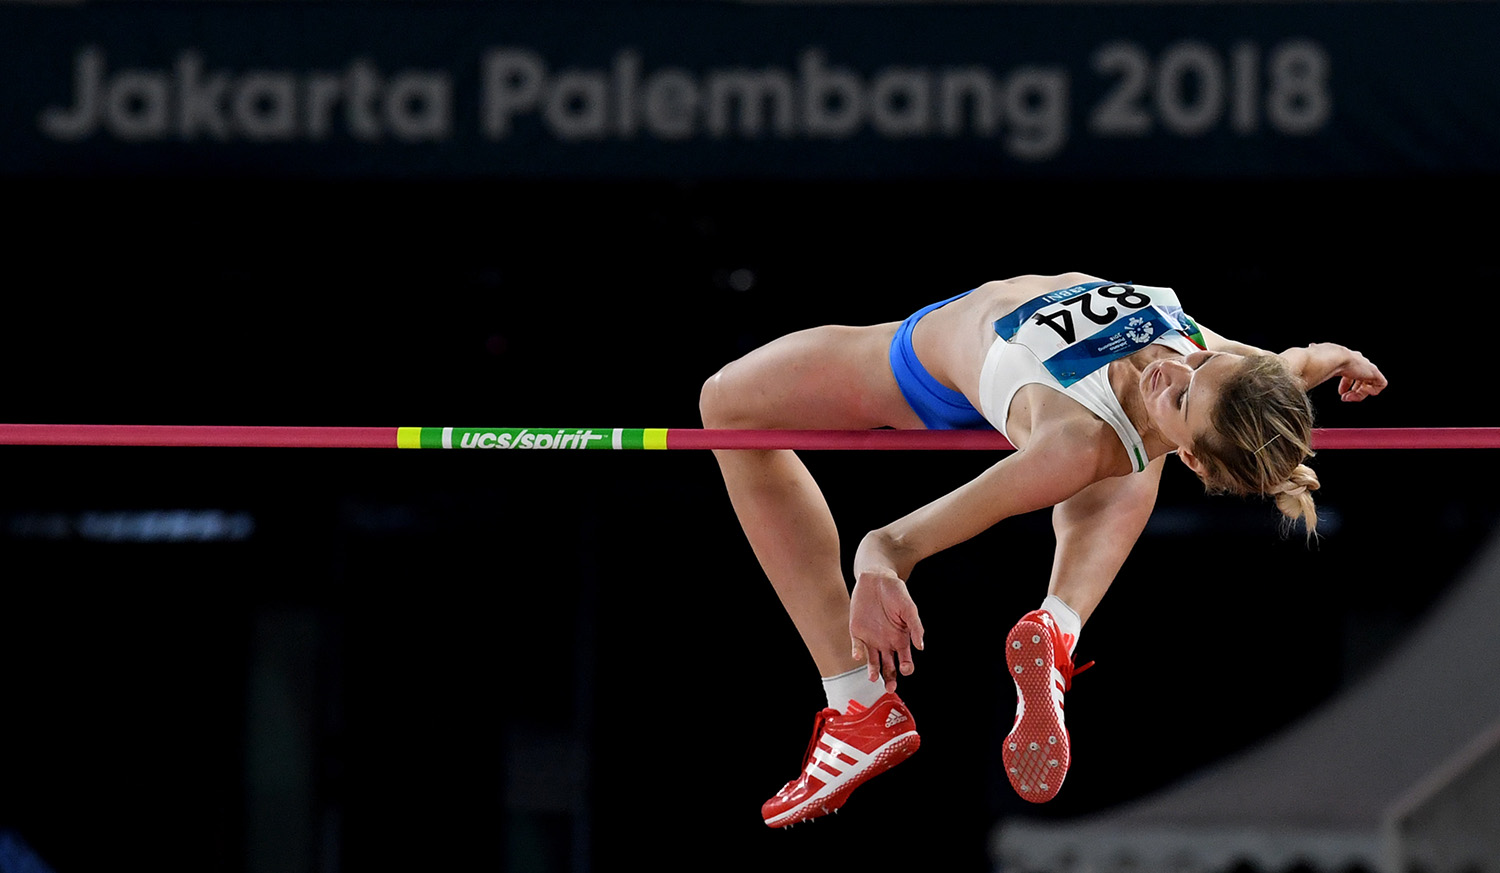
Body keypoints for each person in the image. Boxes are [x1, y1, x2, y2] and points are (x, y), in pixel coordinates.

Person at [698, 272, 1386, 827]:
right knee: (1137, 448)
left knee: (726, 405)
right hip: (1008, 351)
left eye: (1182, 398)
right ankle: (1057, 625)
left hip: (926, 367)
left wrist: (877, 566)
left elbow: (894, 540)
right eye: (1199, 365)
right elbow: (1290, 365)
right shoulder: (1222, 371)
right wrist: (1336, 358)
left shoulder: (1071, 447)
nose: (1170, 372)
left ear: (1198, 465)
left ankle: (858, 705)